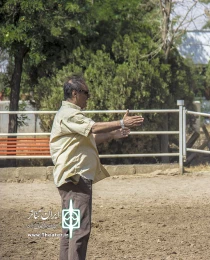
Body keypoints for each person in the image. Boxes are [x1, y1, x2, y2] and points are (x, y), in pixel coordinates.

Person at [49, 75, 144, 260]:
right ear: (75, 93)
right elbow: (93, 128)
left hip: (70, 179)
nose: (88, 96)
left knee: (70, 229)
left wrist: (113, 134)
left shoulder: (69, 115)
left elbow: (89, 138)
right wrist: (122, 122)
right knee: (80, 231)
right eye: (86, 93)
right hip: (76, 179)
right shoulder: (70, 114)